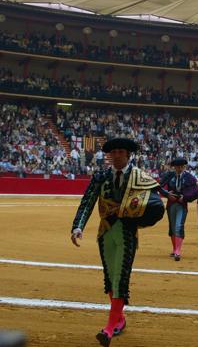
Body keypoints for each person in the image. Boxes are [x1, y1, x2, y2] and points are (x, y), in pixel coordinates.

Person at [70, 138, 165, 347]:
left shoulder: (139, 176)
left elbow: (156, 202)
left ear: (128, 154)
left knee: (121, 278)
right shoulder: (101, 176)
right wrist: (78, 226)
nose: (117, 155)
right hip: (105, 233)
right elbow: (87, 201)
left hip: (127, 233)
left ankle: (109, 328)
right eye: (113, 152)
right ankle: (119, 319)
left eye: (121, 151)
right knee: (110, 278)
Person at [160, 158, 198, 260]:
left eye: (181, 166)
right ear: (174, 167)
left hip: (182, 204)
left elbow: (196, 192)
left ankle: (178, 251)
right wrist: (167, 194)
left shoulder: (189, 177)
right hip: (171, 204)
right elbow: (158, 186)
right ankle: (174, 249)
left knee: (178, 226)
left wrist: (185, 198)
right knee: (173, 227)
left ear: (184, 166)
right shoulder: (169, 175)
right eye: (177, 167)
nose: (179, 168)